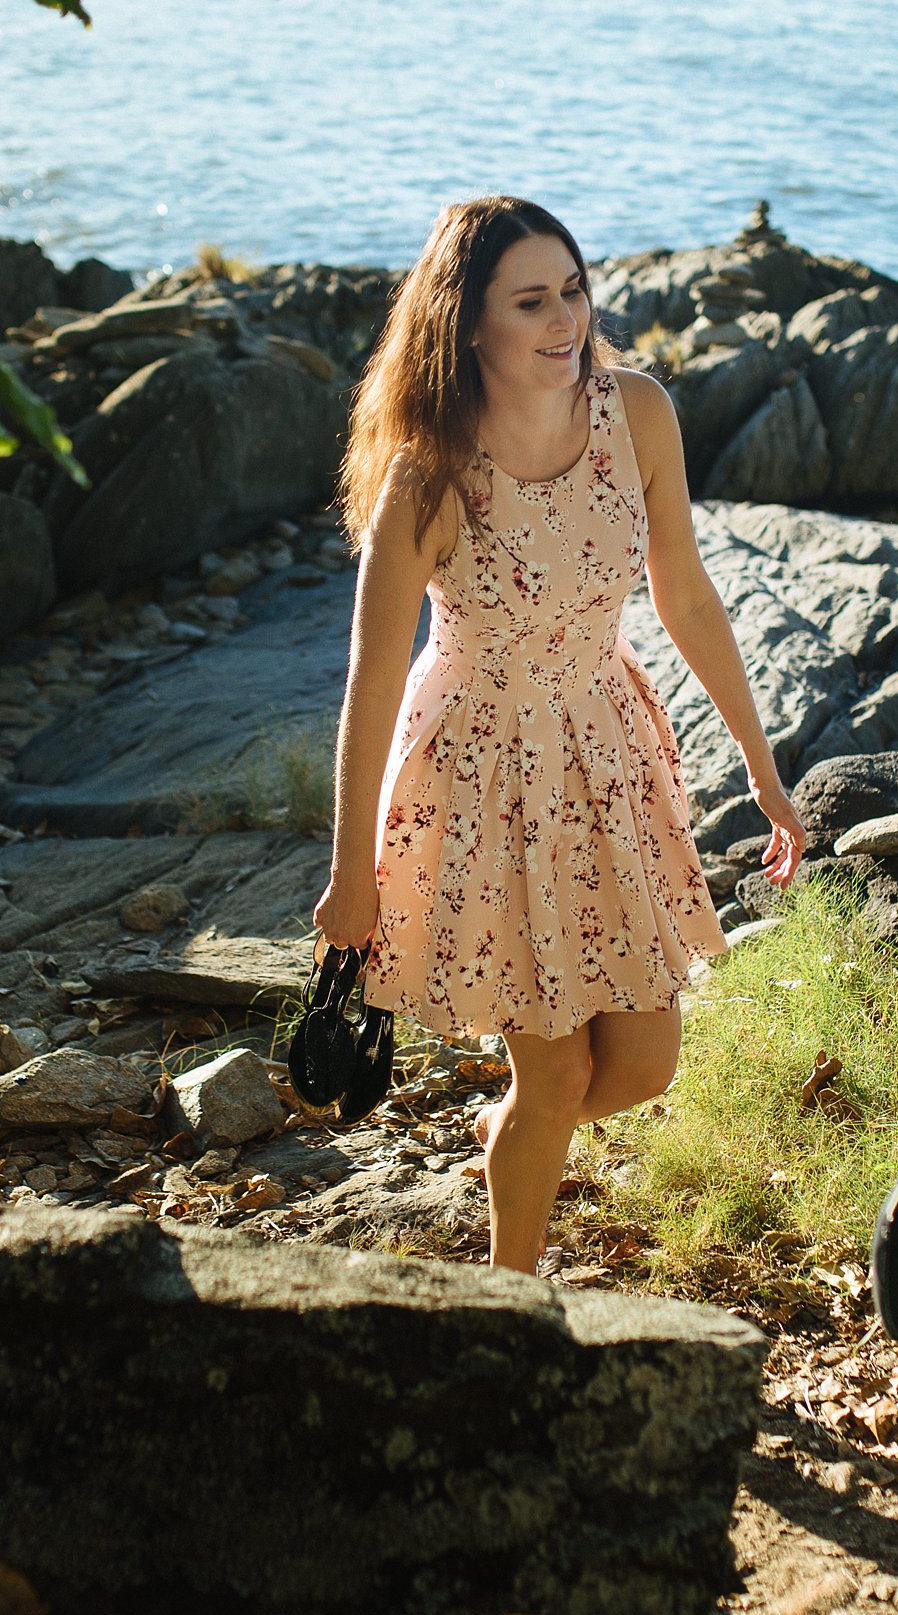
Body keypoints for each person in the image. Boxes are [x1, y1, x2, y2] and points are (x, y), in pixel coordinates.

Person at [313, 196, 810, 1273]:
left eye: (573, 291)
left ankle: (508, 1143)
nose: (563, 320)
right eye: (530, 300)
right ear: (467, 322)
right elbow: (369, 674)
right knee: (553, 1077)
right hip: (483, 773)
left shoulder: (638, 415)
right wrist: (352, 871)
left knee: (639, 1065)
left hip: (605, 751)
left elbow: (684, 593)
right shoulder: (430, 469)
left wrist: (764, 773)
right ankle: (511, 1303)